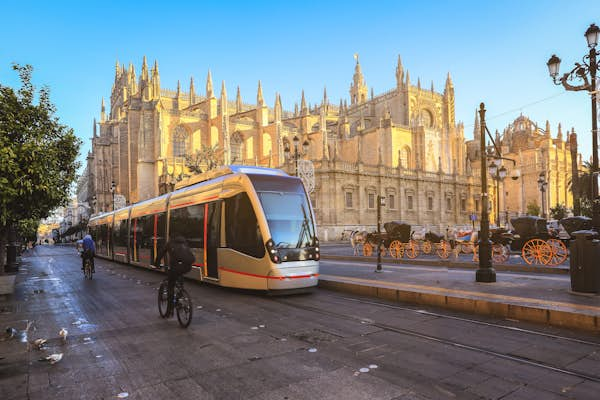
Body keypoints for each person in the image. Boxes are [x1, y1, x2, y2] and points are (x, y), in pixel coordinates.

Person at [153, 236, 194, 317]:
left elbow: (161, 253)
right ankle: (181, 294)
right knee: (180, 276)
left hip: (175, 268)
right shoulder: (185, 243)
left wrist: (157, 264)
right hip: (187, 267)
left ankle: (169, 311)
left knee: (170, 287)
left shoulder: (169, 244)